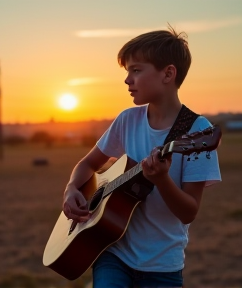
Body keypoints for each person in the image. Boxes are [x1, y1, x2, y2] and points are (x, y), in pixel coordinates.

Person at [62, 25, 221, 288]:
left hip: (163, 266)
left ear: (168, 73)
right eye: (127, 72)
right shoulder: (127, 120)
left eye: (136, 70)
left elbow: (189, 212)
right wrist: (70, 189)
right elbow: (89, 163)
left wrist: (162, 180)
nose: (127, 80)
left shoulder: (197, 132)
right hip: (113, 252)